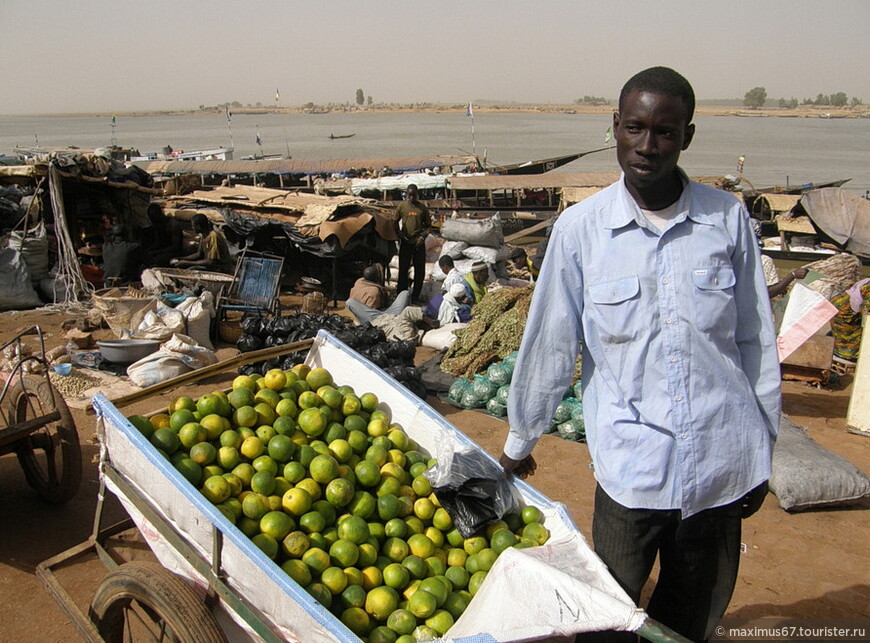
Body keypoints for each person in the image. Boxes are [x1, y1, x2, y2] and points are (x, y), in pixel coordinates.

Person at [498, 67, 780, 642]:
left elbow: (755, 343)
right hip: (632, 472)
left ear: (688, 137)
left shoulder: (727, 220)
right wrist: (518, 444)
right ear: (615, 129)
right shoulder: (581, 230)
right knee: (609, 618)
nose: (647, 147)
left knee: (689, 620)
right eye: (635, 128)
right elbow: (551, 342)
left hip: (722, 466)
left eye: (665, 132)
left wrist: (762, 448)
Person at [395, 184, 432, 302]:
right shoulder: (402, 206)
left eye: (413, 195)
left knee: (420, 271)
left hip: (418, 243)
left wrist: (423, 237)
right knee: (403, 269)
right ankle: (401, 296)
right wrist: (399, 235)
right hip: (406, 242)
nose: (411, 197)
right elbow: (395, 221)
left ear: (417, 194)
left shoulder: (422, 208)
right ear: (406, 194)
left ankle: (415, 296)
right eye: (409, 195)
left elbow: (428, 226)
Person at [346, 265, 411, 324]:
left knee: (404, 293)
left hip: (378, 315)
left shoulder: (359, 282)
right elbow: (375, 310)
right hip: (380, 320)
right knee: (405, 293)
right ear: (376, 278)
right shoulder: (374, 291)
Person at [142, 203, 184, 267]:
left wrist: (157, 252)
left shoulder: (173, 225)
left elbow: (176, 247)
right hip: (162, 251)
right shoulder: (158, 225)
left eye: (153, 218)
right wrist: (148, 250)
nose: (152, 220)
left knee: (155, 261)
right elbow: (158, 242)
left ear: (158, 214)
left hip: (173, 253)